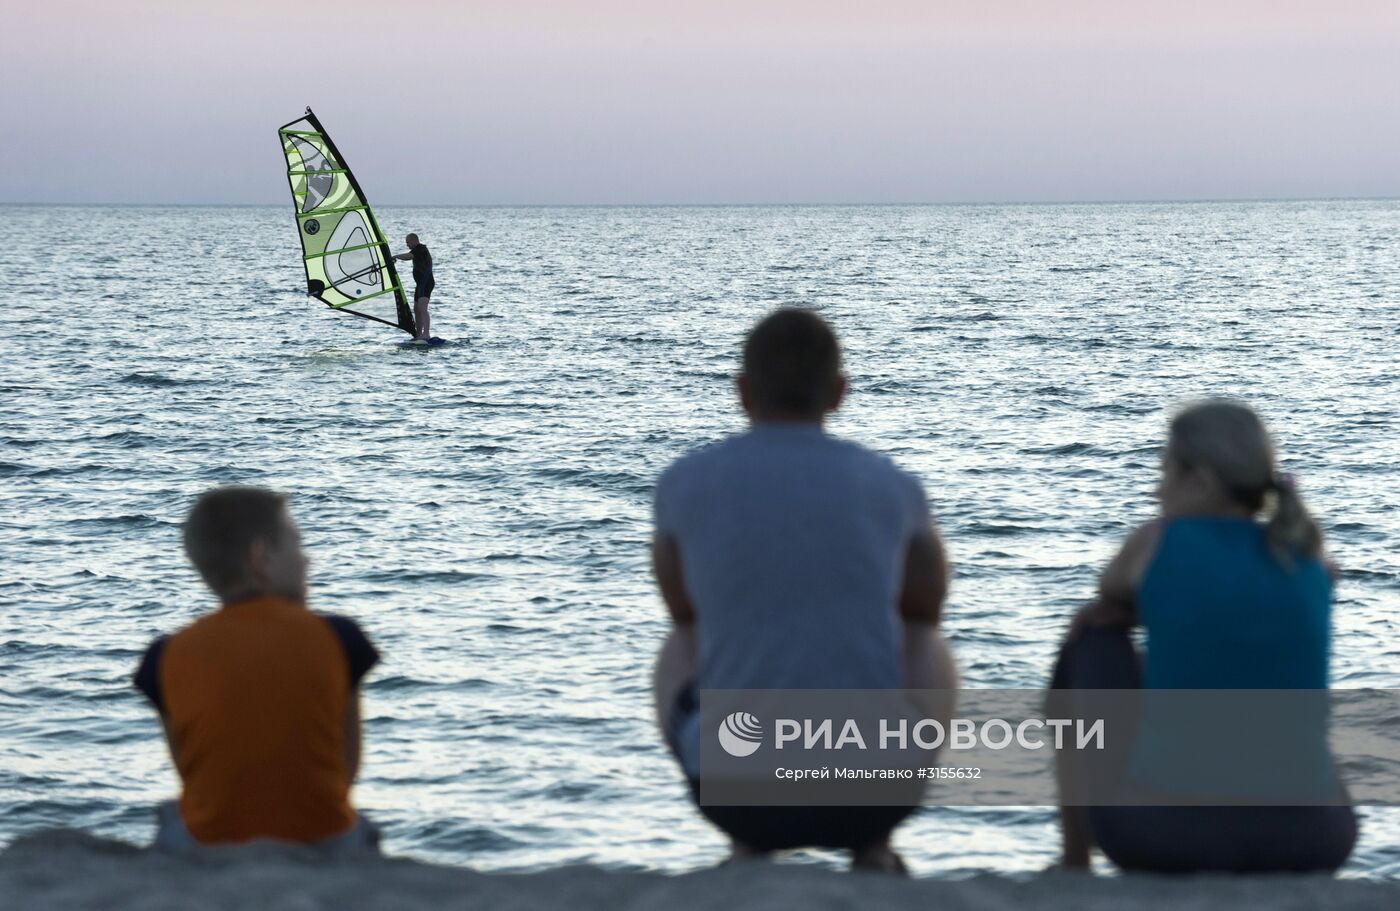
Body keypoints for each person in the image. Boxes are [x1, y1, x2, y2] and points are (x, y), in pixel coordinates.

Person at [651, 308, 957, 872]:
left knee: (684, 636)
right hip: (870, 797)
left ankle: (745, 845)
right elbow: (927, 605)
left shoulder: (683, 482)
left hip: (740, 796)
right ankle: (873, 847)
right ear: (839, 393)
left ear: (742, 391)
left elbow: (682, 608)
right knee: (923, 636)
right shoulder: (894, 487)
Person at [1050, 400, 1356, 874]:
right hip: (1311, 840)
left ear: (1202, 481)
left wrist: (1139, 614)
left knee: (1091, 641)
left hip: (1165, 835)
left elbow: (1108, 597)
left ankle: (1074, 862)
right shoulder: (1309, 557)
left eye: (1165, 471)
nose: (1156, 491)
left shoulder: (1157, 541)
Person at [133, 486, 380, 853]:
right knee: (363, 826)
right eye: (296, 545)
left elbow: (190, 773)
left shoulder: (165, 656)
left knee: (173, 813)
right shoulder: (339, 638)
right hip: (323, 834)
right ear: (261, 557)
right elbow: (346, 768)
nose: (307, 560)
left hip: (211, 843)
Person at [394, 233, 433, 340]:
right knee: (416, 309)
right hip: (420, 284)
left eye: (408, 242)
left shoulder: (420, 248)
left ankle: (426, 334)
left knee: (422, 308)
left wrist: (395, 257)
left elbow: (408, 256)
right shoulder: (417, 249)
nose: (407, 245)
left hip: (426, 282)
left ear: (414, 240)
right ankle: (418, 334)